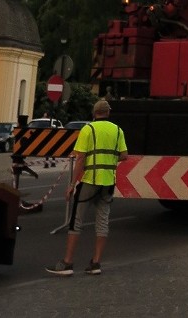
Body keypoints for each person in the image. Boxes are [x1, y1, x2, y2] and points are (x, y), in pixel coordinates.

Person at [46, 98, 128, 277]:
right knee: (102, 222)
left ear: (94, 113)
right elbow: (124, 156)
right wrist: (109, 160)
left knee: (77, 222)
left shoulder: (88, 130)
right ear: (108, 113)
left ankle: (67, 263)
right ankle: (96, 263)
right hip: (108, 183)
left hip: (90, 181)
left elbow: (80, 159)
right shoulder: (118, 130)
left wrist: (71, 185)